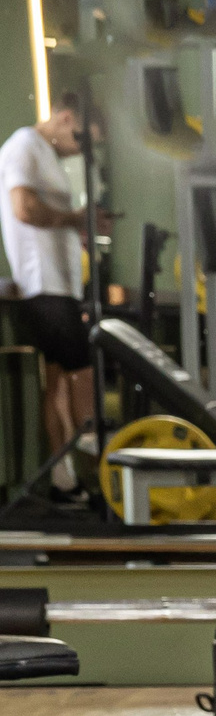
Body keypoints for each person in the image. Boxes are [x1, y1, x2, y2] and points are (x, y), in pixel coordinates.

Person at [1, 89, 99, 503]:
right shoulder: (24, 145)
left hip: (61, 283)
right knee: (82, 371)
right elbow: (23, 209)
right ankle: (98, 452)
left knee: (57, 382)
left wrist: (79, 225)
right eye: (80, 138)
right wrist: (74, 218)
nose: (80, 149)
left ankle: (64, 479)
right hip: (44, 284)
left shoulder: (47, 155)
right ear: (62, 119)